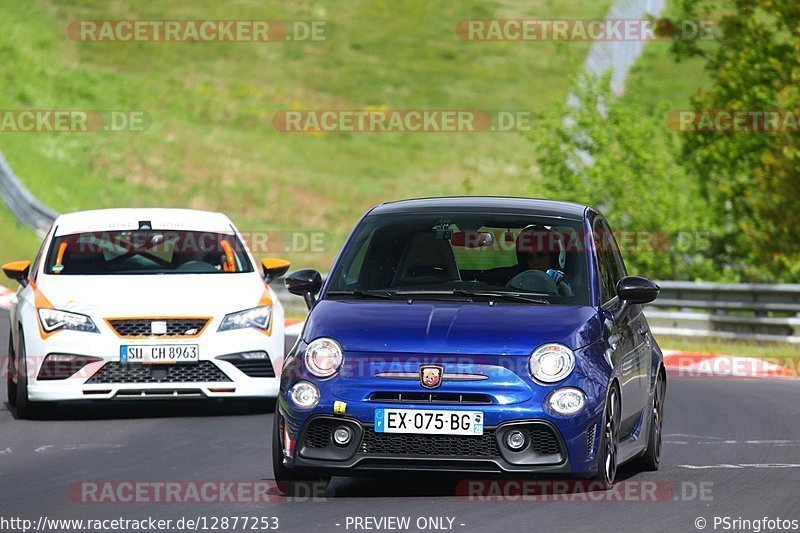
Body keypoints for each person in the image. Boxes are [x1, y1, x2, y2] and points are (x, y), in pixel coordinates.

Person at [506, 225, 573, 297]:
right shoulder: (515, 280)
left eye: (541, 256)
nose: (536, 262)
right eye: (530, 257)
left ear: (553, 258)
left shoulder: (562, 283)